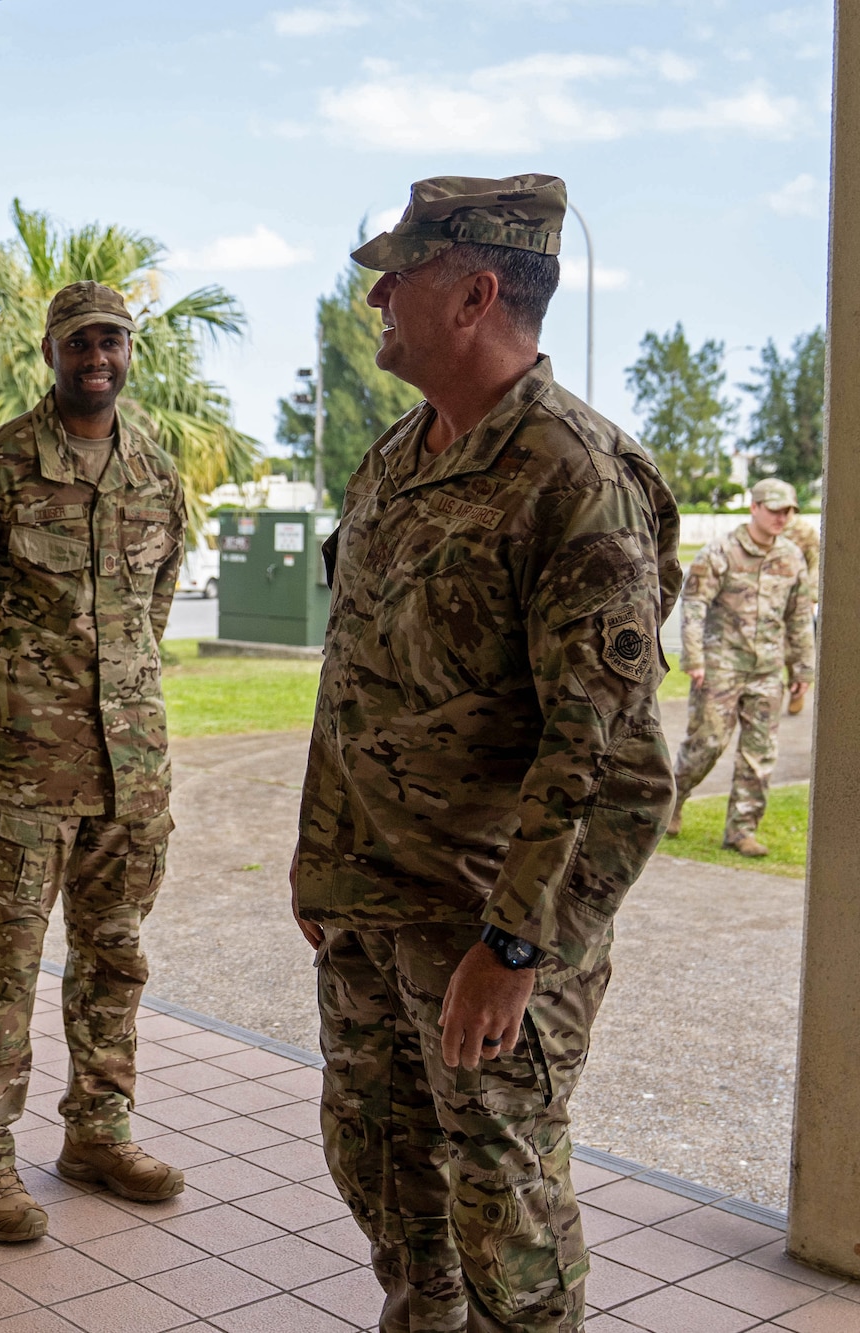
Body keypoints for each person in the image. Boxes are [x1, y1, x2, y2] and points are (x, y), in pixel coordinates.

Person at [291, 175, 679, 1333]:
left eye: (394, 276)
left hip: (485, 927)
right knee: (380, 1175)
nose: (375, 300)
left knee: (498, 1215)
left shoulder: (576, 477)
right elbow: (350, 680)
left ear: (474, 291)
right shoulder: (394, 462)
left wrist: (513, 946)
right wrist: (320, 861)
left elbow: (606, 759)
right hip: (371, 909)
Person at [0, 281, 188, 1244]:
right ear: (50, 351)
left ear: (130, 351)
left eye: (112, 340)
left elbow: (154, 605)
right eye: (80, 342)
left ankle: (97, 1133)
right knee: (5, 965)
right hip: (22, 775)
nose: (97, 356)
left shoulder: (155, 469)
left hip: (132, 772)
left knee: (115, 957)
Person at [667, 476, 814, 856]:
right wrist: (695, 658)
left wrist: (802, 669)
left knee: (760, 753)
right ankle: (670, 803)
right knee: (706, 744)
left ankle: (741, 830)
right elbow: (694, 607)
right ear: (755, 507)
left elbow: (799, 618)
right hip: (720, 668)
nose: (782, 518)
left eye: (788, 512)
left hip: (766, 671)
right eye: (775, 510)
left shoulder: (791, 557)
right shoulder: (720, 552)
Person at [780, 506, 819, 714]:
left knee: (796, 644)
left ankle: (797, 688)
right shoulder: (765, 528)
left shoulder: (805, 531)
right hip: (771, 595)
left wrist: (811, 596)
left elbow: (816, 563)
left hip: (797, 594)